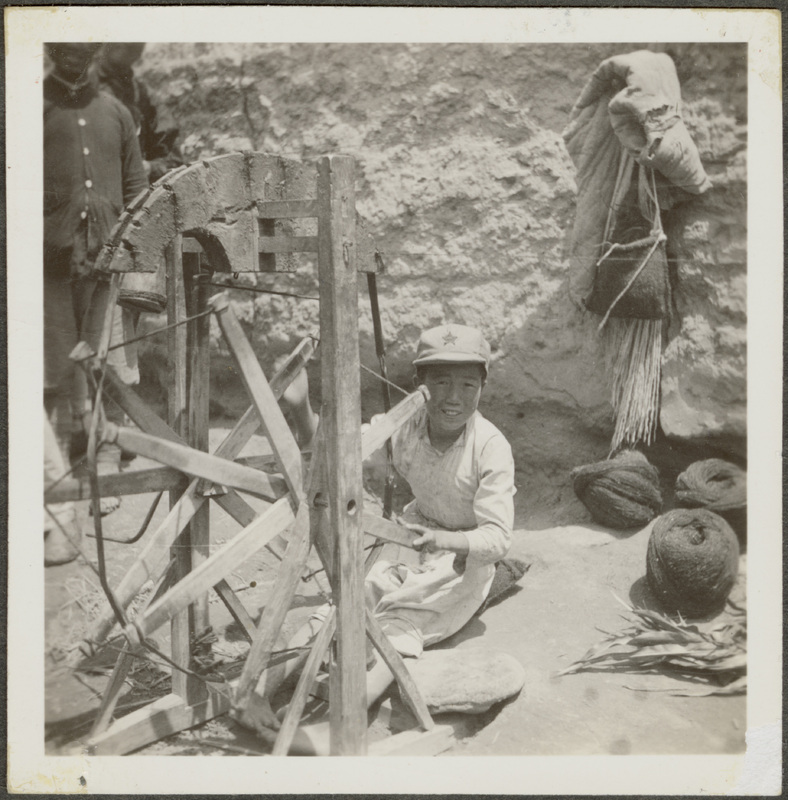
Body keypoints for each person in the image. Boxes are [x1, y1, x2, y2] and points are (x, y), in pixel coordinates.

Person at [238, 324, 516, 754]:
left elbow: (498, 539)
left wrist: (446, 542)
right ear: (419, 386)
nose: (454, 397)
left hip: (461, 561)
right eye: (440, 382)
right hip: (408, 534)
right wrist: (301, 411)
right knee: (347, 598)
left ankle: (338, 726)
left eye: (467, 384)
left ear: (483, 386)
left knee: (400, 623)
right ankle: (259, 687)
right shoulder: (405, 425)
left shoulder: (491, 447)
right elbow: (336, 459)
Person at [44, 42, 149, 514]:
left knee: (101, 365)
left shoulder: (116, 113)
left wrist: (132, 254)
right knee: (55, 372)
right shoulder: (33, 109)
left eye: (80, 50)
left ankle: (97, 477)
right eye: (63, 50)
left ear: (92, 53)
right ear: (51, 51)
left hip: (105, 261)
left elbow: (135, 188)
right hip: (49, 262)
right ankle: (54, 484)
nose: (72, 58)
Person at [92, 43, 184, 184]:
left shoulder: (142, 95)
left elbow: (172, 157)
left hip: (131, 192)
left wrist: (150, 168)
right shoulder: (76, 87)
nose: (129, 48)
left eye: (136, 45)